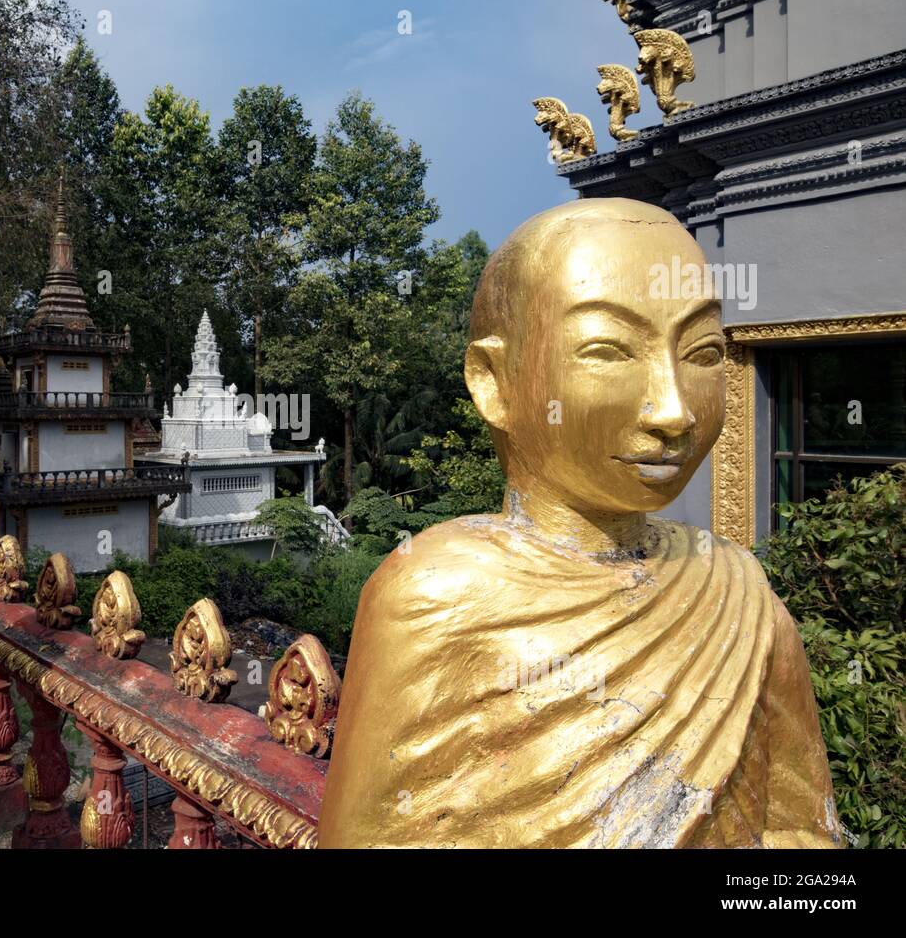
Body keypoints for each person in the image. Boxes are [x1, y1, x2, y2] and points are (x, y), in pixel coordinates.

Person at [318, 199, 841, 849]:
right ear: (494, 382)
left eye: (703, 352)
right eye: (609, 350)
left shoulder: (738, 591)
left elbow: (801, 829)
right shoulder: (435, 595)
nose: (674, 411)